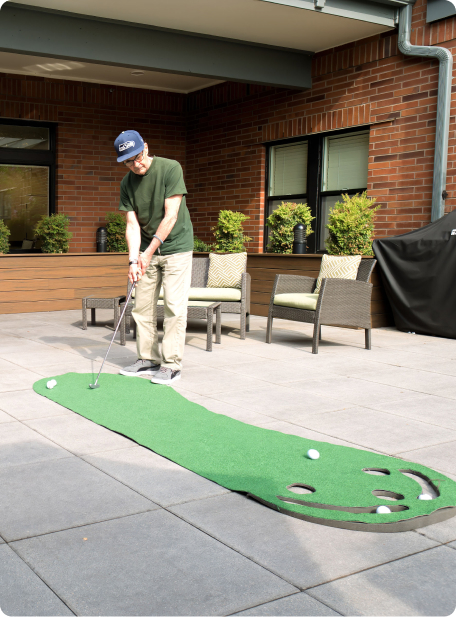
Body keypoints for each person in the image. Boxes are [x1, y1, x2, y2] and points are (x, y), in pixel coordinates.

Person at [114, 130, 193, 385]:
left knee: (173, 306)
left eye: (138, 157)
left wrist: (147, 253)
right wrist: (133, 260)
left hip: (176, 247)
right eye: (128, 161)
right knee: (142, 306)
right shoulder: (127, 183)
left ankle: (171, 365)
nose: (135, 164)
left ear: (145, 148)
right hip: (147, 248)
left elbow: (170, 216)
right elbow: (132, 226)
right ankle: (147, 359)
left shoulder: (170, 169)